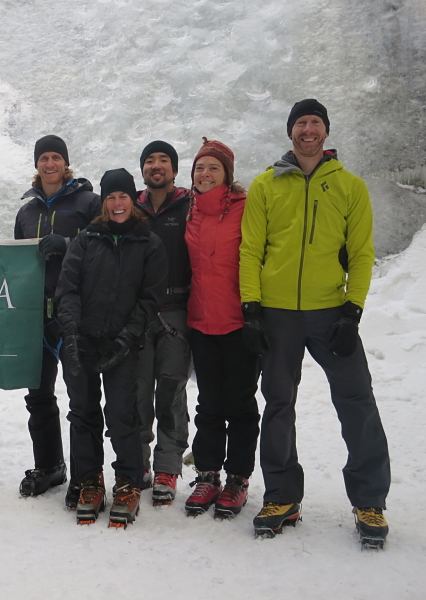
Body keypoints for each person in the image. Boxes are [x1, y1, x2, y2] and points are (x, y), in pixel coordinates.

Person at [240, 99, 391, 547]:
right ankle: (282, 495)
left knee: (357, 400)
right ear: (291, 132)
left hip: (330, 312)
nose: (308, 129)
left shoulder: (350, 187)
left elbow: (362, 253)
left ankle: (370, 501)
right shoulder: (267, 185)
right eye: (301, 123)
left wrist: (353, 310)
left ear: (325, 132)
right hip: (279, 313)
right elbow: (251, 250)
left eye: (316, 123)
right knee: (279, 403)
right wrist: (252, 308)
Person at [56, 168, 166, 526]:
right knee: (83, 412)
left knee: (123, 415)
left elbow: (150, 299)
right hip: (84, 341)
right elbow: (68, 289)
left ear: (133, 200)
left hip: (124, 345)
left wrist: (127, 337)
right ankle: (89, 481)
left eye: (123, 196)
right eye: (110, 197)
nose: (117, 203)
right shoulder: (85, 241)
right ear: (103, 202)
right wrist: (71, 334)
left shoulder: (147, 243)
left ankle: (128, 482)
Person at [14, 135, 101, 499]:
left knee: (82, 398)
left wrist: (69, 245)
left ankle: (87, 475)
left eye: (55, 158)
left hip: (75, 314)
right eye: (43, 158)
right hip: (38, 315)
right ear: (36, 164)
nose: (49, 164)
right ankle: (50, 465)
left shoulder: (88, 202)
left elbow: (103, 247)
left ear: (66, 163)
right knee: (38, 395)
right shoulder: (27, 211)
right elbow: (16, 263)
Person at [183, 139, 260, 519]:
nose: (205, 174)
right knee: (209, 404)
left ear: (227, 174)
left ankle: (238, 479)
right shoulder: (189, 210)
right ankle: (208, 475)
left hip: (239, 322)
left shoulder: (247, 210)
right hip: (201, 321)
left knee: (241, 404)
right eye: (200, 168)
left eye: (213, 168)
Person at [133, 140, 193, 506]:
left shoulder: (190, 205)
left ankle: (168, 467)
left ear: (173, 168)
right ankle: (138, 462)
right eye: (150, 160)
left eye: (163, 160)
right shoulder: (131, 207)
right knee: (137, 391)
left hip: (176, 311)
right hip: (139, 313)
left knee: (171, 391)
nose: (156, 166)